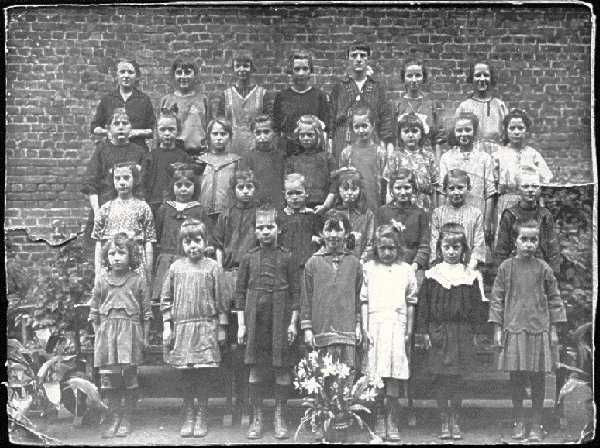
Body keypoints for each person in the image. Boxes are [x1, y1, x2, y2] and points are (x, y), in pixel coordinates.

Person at [489, 219, 567, 442]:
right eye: (524, 239)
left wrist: (553, 330)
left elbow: (554, 299)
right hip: (514, 329)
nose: (529, 244)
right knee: (516, 377)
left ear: (538, 242)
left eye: (533, 240)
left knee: (538, 378)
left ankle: (536, 421)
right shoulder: (506, 267)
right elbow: (496, 299)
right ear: (515, 241)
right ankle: (518, 420)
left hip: (538, 330)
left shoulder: (544, 268)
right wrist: (497, 328)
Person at [235, 208, 301, 440]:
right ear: (255, 231)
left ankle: (279, 416)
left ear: (278, 229)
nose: (265, 232)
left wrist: (293, 324)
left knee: (282, 369)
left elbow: (296, 295)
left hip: (281, 318)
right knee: (256, 369)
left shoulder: (287, 257)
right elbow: (240, 294)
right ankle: (257, 417)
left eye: (269, 227)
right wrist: (242, 325)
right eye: (260, 228)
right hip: (255, 319)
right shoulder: (248, 258)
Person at [160, 218, 230, 438]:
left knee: (203, 374)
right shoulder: (175, 268)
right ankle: (188, 412)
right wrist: (167, 326)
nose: (193, 246)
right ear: (181, 244)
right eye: (187, 242)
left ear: (205, 242)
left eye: (197, 241)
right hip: (182, 328)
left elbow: (222, 301)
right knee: (187, 374)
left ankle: (202, 413)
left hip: (205, 328)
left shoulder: (214, 268)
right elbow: (165, 299)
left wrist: (221, 328)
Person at [417, 222, 485, 440]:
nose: (451, 252)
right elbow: (424, 306)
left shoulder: (470, 276)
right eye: (447, 247)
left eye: (456, 247)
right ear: (440, 248)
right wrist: (425, 332)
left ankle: (455, 416)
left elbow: (476, 308)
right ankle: (443, 417)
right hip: (439, 331)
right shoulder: (432, 275)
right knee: (441, 378)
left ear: (463, 249)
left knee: (457, 378)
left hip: (462, 332)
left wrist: (475, 333)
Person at [89, 232, 151, 438]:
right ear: (107, 256)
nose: (116, 257)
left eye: (122, 253)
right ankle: (114, 417)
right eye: (113, 253)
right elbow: (95, 311)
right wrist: (98, 335)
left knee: (128, 377)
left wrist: (145, 338)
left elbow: (147, 313)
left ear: (131, 256)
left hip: (130, 335)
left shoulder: (137, 281)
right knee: (111, 379)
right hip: (107, 336)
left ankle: (127, 418)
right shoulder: (102, 280)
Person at [362, 224, 417, 441]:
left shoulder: (405, 270)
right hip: (375, 325)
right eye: (383, 248)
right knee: (376, 373)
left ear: (398, 248)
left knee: (394, 372)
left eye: (391, 248)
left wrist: (409, 330)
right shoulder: (368, 268)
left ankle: (392, 419)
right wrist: (365, 328)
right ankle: (378, 417)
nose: (387, 253)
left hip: (397, 325)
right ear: (376, 248)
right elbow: (364, 301)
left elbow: (411, 301)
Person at [301, 211, 364, 369]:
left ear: (347, 233)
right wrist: (307, 329)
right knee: (321, 380)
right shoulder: (312, 263)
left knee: (346, 380)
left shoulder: (354, 263)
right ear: (321, 233)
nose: (333, 235)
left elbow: (358, 297)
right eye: (329, 230)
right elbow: (306, 298)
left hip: (347, 331)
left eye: (339, 230)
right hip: (321, 329)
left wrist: (358, 325)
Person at [82, 108, 151, 243]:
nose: (121, 127)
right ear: (109, 129)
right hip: (106, 206)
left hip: (131, 210)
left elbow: (144, 184)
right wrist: (97, 212)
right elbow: (91, 183)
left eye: (125, 123)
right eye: (116, 123)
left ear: (130, 127)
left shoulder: (139, 152)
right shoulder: (102, 151)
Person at [492, 109, 554, 239]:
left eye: (520, 128)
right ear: (506, 130)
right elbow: (492, 184)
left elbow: (546, 178)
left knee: (528, 236)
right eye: (512, 128)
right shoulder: (498, 155)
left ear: (527, 130)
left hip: (529, 203)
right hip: (507, 201)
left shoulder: (533, 154)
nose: (516, 132)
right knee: (506, 236)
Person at [151, 163, 208, 303]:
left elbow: (205, 235)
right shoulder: (165, 208)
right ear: (173, 187)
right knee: (165, 295)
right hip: (167, 256)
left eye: (188, 185)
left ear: (194, 188)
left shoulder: (199, 210)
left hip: (188, 256)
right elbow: (157, 231)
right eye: (179, 185)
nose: (183, 189)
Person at [92, 162, 156, 284]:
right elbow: (98, 241)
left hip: (135, 263)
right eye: (117, 178)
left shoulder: (142, 207)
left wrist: (148, 272)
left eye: (126, 178)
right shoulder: (106, 208)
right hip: (112, 262)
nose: (122, 182)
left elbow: (149, 240)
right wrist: (98, 272)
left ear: (135, 179)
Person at [330, 41, 394, 159]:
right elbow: (331, 118)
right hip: (343, 139)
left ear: (368, 59)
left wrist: (387, 146)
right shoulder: (339, 87)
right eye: (354, 55)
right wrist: (330, 146)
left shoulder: (377, 87)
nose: (358, 59)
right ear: (348, 59)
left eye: (363, 55)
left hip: (371, 139)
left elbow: (386, 119)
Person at [439, 112, 497, 242]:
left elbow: (490, 193)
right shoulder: (447, 158)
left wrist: (487, 222)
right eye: (459, 130)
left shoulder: (484, 159)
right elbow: (442, 191)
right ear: (454, 132)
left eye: (468, 130)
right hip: (451, 214)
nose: (463, 134)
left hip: (477, 213)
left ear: (475, 132)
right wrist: (442, 218)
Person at [494, 167, 560, 276]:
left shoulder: (545, 215)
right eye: (525, 186)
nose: (530, 190)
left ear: (540, 189)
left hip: (539, 270)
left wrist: (552, 274)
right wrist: (500, 275)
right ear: (517, 189)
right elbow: (502, 248)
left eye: (535, 186)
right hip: (514, 271)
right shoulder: (510, 215)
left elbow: (552, 248)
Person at [211, 169, 259, 306]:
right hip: (229, 268)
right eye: (241, 187)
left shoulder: (259, 213)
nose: (245, 191)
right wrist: (220, 267)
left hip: (252, 269)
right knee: (226, 301)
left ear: (255, 189)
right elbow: (218, 243)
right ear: (234, 190)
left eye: (249, 187)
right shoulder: (226, 214)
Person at [273, 50, 331, 156]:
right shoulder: (282, 96)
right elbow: (276, 129)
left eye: (305, 69)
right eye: (297, 69)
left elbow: (326, 129)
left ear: (310, 71)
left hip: (313, 154)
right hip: (289, 153)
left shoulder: (319, 96)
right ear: (291, 71)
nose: (301, 73)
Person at [160, 56, 221, 155]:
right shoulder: (166, 101)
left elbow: (210, 129)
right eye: (179, 73)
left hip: (198, 153)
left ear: (195, 75)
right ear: (174, 75)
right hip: (171, 152)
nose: (183, 77)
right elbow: (158, 130)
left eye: (187, 73)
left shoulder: (203, 100)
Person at [91, 59, 155, 151]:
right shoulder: (108, 99)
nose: (126, 76)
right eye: (122, 72)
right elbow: (94, 127)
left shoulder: (144, 100)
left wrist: (135, 133)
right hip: (113, 149)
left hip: (138, 150)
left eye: (130, 72)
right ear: (116, 75)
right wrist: (110, 132)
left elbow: (152, 130)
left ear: (136, 75)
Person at [375, 168, 430, 275]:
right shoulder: (382, 212)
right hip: (387, 265)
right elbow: (377, 242)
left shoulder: (420, 214)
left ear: (413, 189)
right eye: (398, 188)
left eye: (407, 188)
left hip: (413, 266)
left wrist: (414, 266)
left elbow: (424, 245)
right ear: (391, 189)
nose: (403, 192)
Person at [431, 170, 486, 270]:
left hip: (468, 266)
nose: (456, 192)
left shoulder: (475, 213)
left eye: (460, 188)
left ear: (468, 188)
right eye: (451, 188)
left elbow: (479, 243)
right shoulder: (438, 214)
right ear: (444, 190)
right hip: (443, 267)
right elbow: (434, 242)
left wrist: (470, 266)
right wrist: (439, 265)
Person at [384, 112, 439, 211]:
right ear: (400, 134)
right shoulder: (395, 157)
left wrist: (435, 210)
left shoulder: (428, 156)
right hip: (401, 207)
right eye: (406, 131)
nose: (410, 135)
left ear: (421, 133)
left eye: (414, 131)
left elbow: (435, 187)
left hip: (425, 207)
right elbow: (389, 187)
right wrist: (390, 210)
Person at [222, 49, 273, 157]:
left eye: (245, 66)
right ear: (233, 69)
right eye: (237, 66)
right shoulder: (225, 95)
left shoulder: (262, 94)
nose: (242, 69)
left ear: (252, 68)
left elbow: (269, 124)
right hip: (231, 148)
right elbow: (221, 124)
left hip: (257, 147)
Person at [395, 56, 447, 161]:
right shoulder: (397, 106)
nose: (414, 80)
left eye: (418, 75)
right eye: (409, 76)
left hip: (426, 159)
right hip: (403, 158)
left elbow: (438, 138)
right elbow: (393, 138)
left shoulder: (431, 105)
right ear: (403, 78)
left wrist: (436, 164)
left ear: (423, 78)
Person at [144, 106, 193, 216]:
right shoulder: (150, 157)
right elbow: (144, 183)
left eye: (171, 129)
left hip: (178, 206)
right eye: (162, 129)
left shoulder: (184, 157)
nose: (167, 133)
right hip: (154, 205)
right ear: (157, 131)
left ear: (178, 131)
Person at [284, 115, 338, 212]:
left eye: (310, 135)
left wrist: (326, 206)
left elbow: (334, 187)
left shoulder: (328, 159)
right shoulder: (293, 160)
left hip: (322, 207)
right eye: (302, 135)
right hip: (298, 209)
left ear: (318, 135)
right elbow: (288, 187)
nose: (306, 138)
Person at [339, 106, 387, 213]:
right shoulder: (347, 152)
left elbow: (384, 184)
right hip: (353, 205)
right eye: (357, 127)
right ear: (352, 128)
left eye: (365, 126)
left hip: (374, 204)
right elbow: (342, 182)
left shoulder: (380, 152)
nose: (361, 131)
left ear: (373, 126)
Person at [195, 117, 240, 229]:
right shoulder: (201, 161)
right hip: (204, 211)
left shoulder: (235, 161)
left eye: (223, 134)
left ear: (229, 136)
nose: (219, 138)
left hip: (226, 212)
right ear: (209, 136)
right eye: (215, 134)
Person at [456, 60, 507, 156]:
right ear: (472, 78)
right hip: (473, 154)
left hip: (497, 154)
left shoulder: (500, 105)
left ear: (491, 78)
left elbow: (507, 137)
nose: (482, 79)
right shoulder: (464, 106)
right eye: (478, 75)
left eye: (486, 75)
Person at [240, 115, 286, 210]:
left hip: (278, 204)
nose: (262, 136)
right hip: (255, 205)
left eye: (266, 132)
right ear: (253, 134)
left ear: (274, 133)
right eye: (258, 133)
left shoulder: (282, 156)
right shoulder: (247, 158)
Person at [329, 167, 375, 261]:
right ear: (338, 190)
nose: (349, 193)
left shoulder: (367, 215)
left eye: (354, 189)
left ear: (360, 190)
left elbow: (370, 242)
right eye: (345, 189)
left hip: (360, 262)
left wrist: (362, 261)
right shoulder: (332, 214)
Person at [279, 173, 321, 270]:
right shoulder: (280, 217)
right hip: (285, 266)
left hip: (308, 265)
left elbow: (320, 237)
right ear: (284, 195)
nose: (294, 197)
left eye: (298, 193)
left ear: (306, 193)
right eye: (290, 193)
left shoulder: (312, 216)